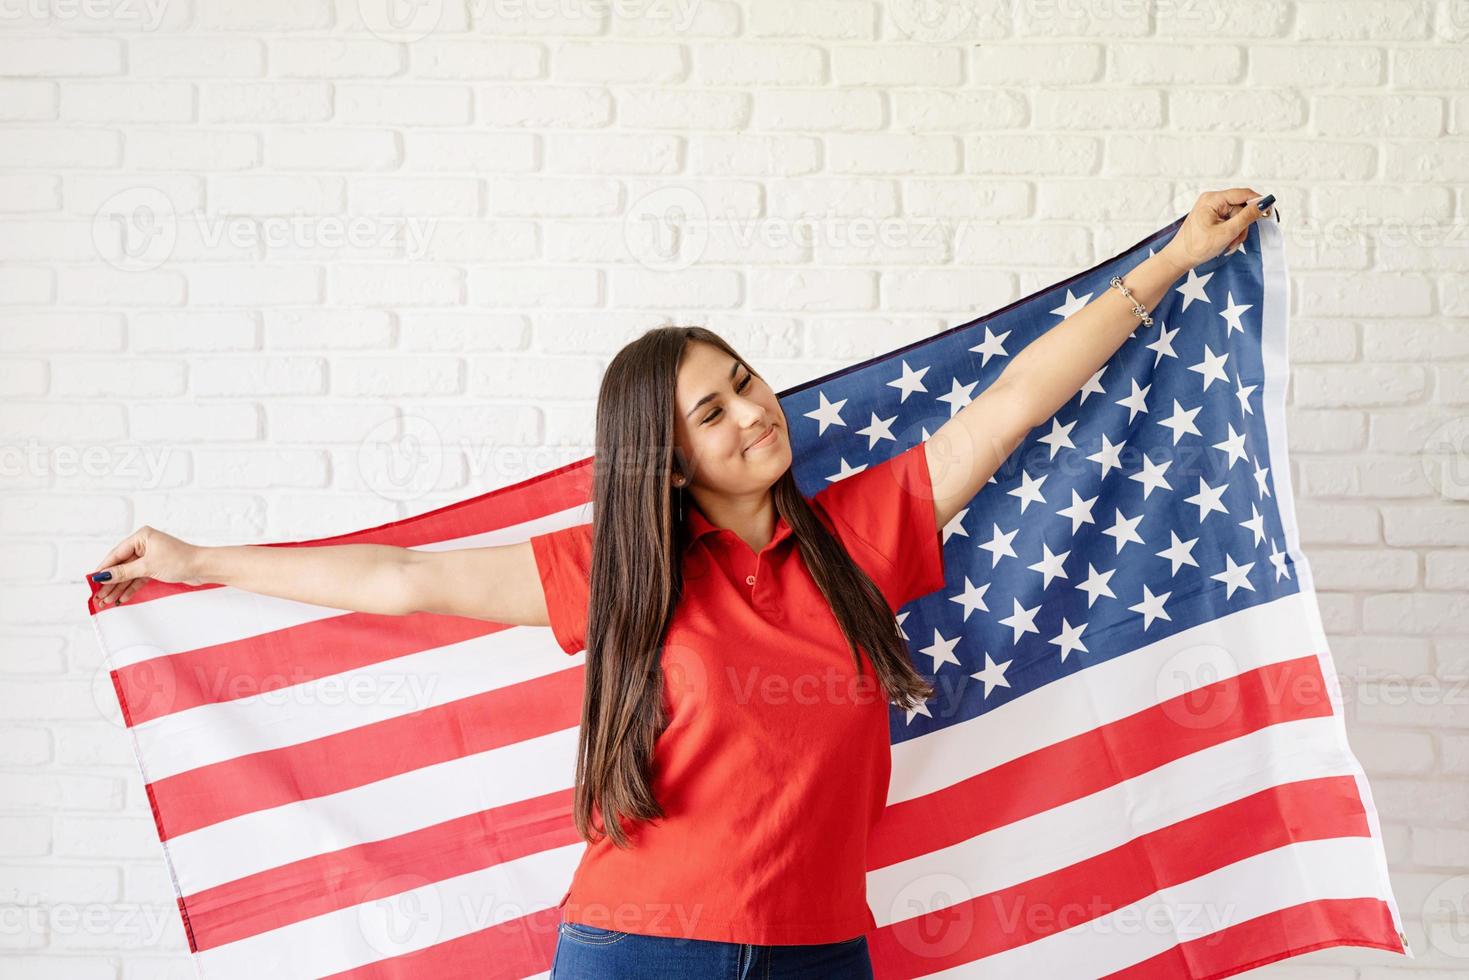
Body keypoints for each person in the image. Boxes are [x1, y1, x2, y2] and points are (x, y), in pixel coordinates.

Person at [89, 189, 1271, 979]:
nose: (755, 412)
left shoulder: (858, 530)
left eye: (747, 382)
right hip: (637, 947)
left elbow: (1009, 407)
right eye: (714, 409)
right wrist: (198, 561)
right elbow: (405, 579)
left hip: (823, 950)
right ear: (670, 453)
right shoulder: (625, 574)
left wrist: (1170, 257)